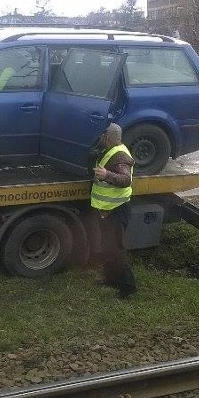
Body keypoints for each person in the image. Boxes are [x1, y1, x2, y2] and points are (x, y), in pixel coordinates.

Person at [90, 123, 137, 299]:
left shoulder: (121, 155)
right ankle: (110, 279)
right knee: (107, 247)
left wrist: (106, 175)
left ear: (108, 138)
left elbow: (126, 179)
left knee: (116, 249)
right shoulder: (110, 150)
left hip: (117, 210)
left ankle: (128, 287)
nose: (101, 138)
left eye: (104, 136)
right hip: (108, 209)